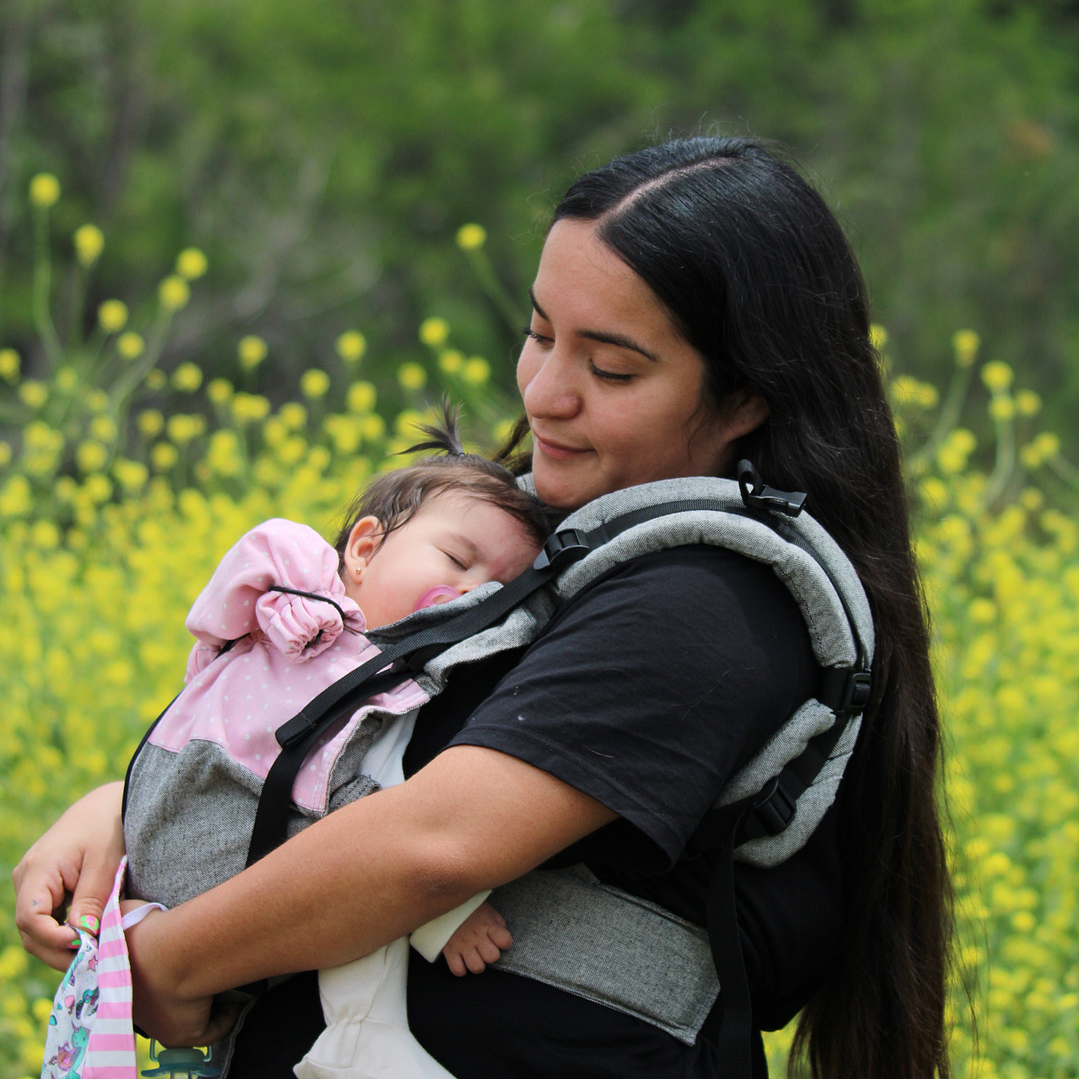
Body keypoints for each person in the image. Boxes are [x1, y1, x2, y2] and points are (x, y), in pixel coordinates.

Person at [15, 136, 953, 1079]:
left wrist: (167, 962)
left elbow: (437, 842)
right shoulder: (516, 549)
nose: (546, 394)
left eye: (613, 369)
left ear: (746, 393)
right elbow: (310, 732)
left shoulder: (719, 599)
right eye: (541, 334)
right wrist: (133, 809)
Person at [41, 417, 551, 1079]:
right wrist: (444, 915)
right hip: (208, 821)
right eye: (456, 560)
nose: (470, 593)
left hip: (202, 883)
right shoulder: (320, 624)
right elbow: (363, 807)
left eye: (496, 593)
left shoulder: (402, 675)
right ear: (363, 548)